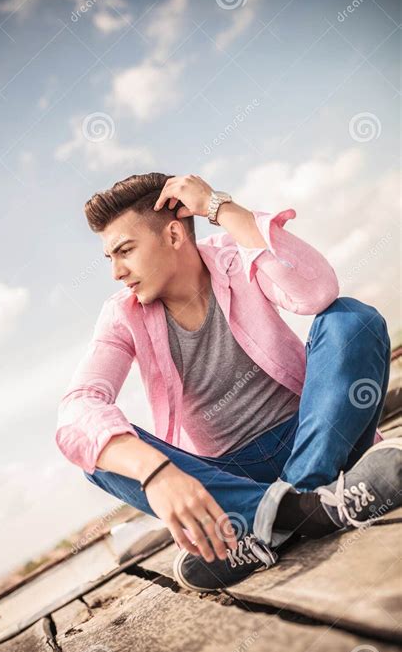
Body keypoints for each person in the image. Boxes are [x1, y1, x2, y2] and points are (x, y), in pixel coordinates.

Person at [56, 172, 401, 592]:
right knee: (98, 451)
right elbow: (78, 410)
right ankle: (310, 507)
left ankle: (271, 524)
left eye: (125, 251)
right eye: (110, 257)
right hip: (233, 478)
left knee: (353, 319)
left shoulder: (235, 255)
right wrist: (157, 473)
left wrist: (221, 208)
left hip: (317, 435)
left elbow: (317, 293)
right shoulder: (121, 316)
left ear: (173, 235)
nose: (116, 272)